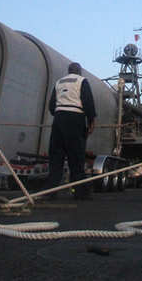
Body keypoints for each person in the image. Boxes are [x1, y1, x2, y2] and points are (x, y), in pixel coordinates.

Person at [45, 62, 96, 200]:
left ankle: (50, 193)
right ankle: (79, 193)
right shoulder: (82, 81)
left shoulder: (59, 82)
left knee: (56, 158)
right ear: (79, 71)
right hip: (75, 119)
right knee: (76, 157)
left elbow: (51, 106)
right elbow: (88, 103)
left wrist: (60, 115)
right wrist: (91, 121)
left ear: (68, 71)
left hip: (59, 120)